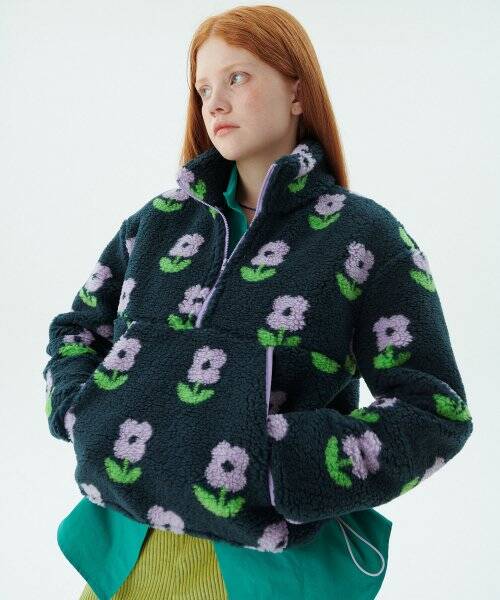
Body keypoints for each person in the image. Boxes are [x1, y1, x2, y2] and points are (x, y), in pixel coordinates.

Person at [43, 5, 473, 599]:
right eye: (203, 89)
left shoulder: (364, 238)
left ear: (297, 90)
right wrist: (83, 412)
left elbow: (434, 412)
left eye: (237, 77)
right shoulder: (158, 222)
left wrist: (281, 463)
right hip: (119, 557)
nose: (215, 103)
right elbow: (78, 330)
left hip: (262, 577)